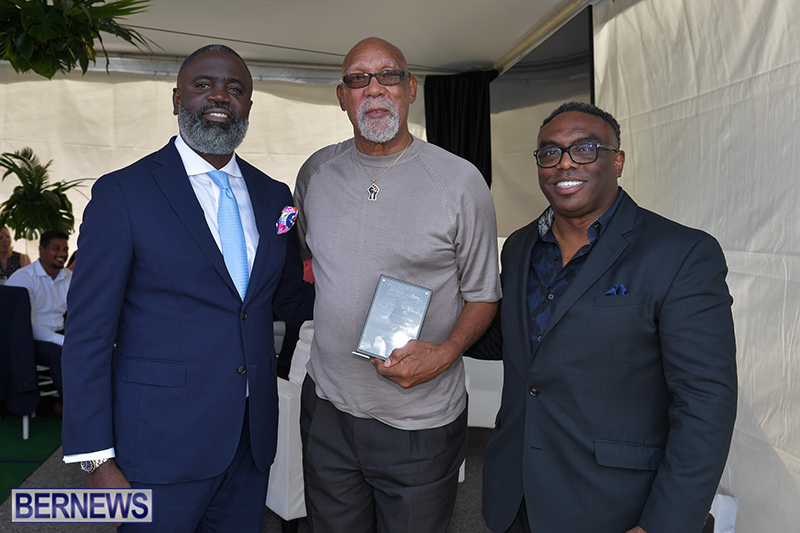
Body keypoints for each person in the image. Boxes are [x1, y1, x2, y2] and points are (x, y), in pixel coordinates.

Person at [60, 44, 314, 532]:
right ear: (176, 99)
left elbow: (288, 299)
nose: (220, 96)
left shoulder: (274, 196)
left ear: (249, 108)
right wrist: (96, 461)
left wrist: (364, 289)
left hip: (249, 445)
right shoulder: (122, 194)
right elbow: (88, 334)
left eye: (235, 88)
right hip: (153, 451)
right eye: (204, 85)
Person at [468, 102, 737, 533]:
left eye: (585, 149)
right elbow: (514, 342)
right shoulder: (519, 248)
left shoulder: (681, 253)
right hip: (514, 497)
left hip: (615, 507)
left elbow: (706, 404)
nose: (565, 163)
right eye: (550, 152)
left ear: (618, 160)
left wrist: (663, 525)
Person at [293, 37, 501, 532]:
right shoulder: (315, 172)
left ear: (410, 89)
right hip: (328, 408)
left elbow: (483, 294)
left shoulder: (459, 182)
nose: (374, 90)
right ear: (342, 97)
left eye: (388, 76)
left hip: (419, 423)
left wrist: (448, 350)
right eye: (358, 79)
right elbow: (309, 258)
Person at [6, 229, 71, 401]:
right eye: (56, 248)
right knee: (60, 353)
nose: (62, 254)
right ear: (41, 250)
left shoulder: (69, 277)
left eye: (65, 249)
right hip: (27, 339)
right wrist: (62, 341)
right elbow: (25, 324)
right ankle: (74, 409)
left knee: (96, 346)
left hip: (60, 332)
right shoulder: (23, 278)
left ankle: (99, 403)